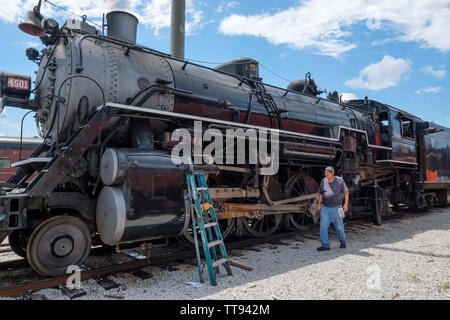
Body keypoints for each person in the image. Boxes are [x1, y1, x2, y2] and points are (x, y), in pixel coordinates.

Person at [316, 166, 349, 251]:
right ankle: (325, 245)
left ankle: (343, 242)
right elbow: (320, 194)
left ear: (332, 174)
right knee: (323, 227)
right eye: (325, 172)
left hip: (337, 208)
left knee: (339, 227)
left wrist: (346, 204)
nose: (325, 174)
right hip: (325, 208)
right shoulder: (323, 181)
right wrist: (319, 205)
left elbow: (346, 192)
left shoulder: (339, 180)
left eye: (327, 172)